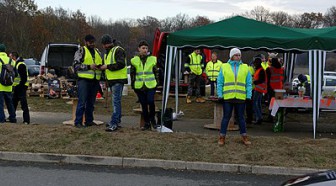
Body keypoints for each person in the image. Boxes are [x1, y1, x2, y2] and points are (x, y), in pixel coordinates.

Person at [217, 48, 252, 146]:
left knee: (241, 118)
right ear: (231, 56)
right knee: (226, 118)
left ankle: (244, 137)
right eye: (236, 55)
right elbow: (220, 82)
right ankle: (222, 137)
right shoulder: (224, 67)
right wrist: (220, 95)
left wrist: (248, 95)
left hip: (241, 97)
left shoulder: (245, 67)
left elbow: (249, 83)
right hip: (228, 97)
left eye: (239, 55)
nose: (238, 57)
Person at [73, 34, 103, 128]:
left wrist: (100, 67)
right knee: (82, 102)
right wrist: (89, 67)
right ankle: (78, 122)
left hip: (95, 80)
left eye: (93, 42)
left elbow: (102, 63)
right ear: (86, 42)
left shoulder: (97, 51)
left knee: (91, 102)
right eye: (90, 42)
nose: (92, 44)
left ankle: (89, 121)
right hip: (84, 80)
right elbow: (76, 66)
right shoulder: (81, 51)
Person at [99, 34, 128, 132]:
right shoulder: (108, 52)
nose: (103, 46)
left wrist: (107, 67)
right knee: (115, 101)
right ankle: (116, 120)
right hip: (112, 80)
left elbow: (121, 64)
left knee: (116, 102)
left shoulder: (118, 50)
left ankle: (114, 122)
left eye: (104, 44)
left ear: (107, 43)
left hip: (118, 79)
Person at [130, 40, 159, 130]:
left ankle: (153, 120)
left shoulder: (152, 59)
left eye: (146, 48)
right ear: (139, 49)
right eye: (143, 48)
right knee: (143, 104)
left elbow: (156, 72)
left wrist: (157, 83)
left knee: (150, 101)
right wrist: (133, 86)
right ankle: (146, 123)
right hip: (139, 86)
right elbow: (132, 74)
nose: (145, 50)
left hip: (150, 85)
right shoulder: (134, 60)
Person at [10, 52, 30, 124]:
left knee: (23, 104)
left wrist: (19, 86)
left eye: (11, 57)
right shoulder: (17, 63)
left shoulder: (20, 64)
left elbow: (24, 78)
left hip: (21, 86)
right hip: (18, 86)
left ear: (14, 57)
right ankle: (12, 118)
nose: (10, 59)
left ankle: (26, 120)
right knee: (13, 103)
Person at [0, 44, 16, 123]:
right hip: (9, 85)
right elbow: (14, 73)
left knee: (0, 104)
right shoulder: (11, 61)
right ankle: (13, 118)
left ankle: (1, 119)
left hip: (0, 86)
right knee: (10, 103)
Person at [252, 57, 267, 125]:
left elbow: (261, 80)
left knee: (255, 103)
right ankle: (259, 117)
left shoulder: (260, 70)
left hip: (258, 89)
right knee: (258, 103)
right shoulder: (259, 70)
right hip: (259, 89)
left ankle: (258, 118)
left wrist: (254, 82)